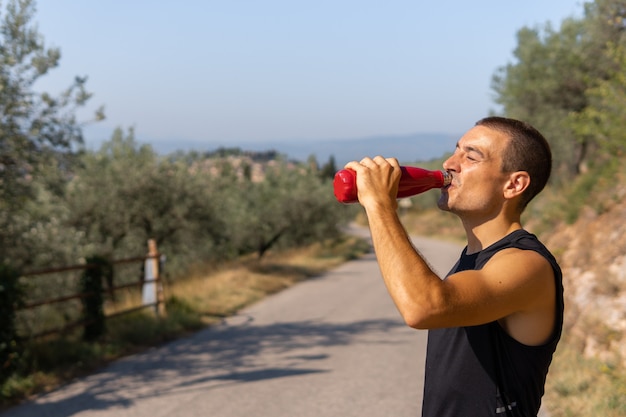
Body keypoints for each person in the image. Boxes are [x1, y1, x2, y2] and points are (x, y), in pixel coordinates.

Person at [344, 116, 564, 417]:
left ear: (514, 184)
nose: (450, 163)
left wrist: (380, 206)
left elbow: (423, 307)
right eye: (456, 150)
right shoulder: (472, 259)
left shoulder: (527, 264)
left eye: (471, 156)